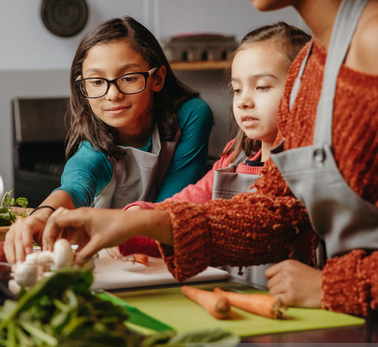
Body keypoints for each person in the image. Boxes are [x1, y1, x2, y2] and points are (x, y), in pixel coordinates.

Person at [41, 0, 378, 318]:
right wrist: (135, 224)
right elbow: (276, 214)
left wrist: (332, 286)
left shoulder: (370, 46)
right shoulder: (308, 66)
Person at [114, 21, 310, 290]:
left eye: (261, 87)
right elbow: (192, 200)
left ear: (305, 93)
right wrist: (139, 214)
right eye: (238, 89)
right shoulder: (234, 159)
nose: (243, 101)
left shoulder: (308, 170)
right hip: (233, 299)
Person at [4, 16, 214, 263]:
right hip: (108, 254)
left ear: (157, 79)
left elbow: (171, 202)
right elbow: (75, 186)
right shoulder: (94, 142)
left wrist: (138, 234)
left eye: (129, 78)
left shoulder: (192, 116)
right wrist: (41, 216)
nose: (113, 94)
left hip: (164, 239)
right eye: (96, 81)